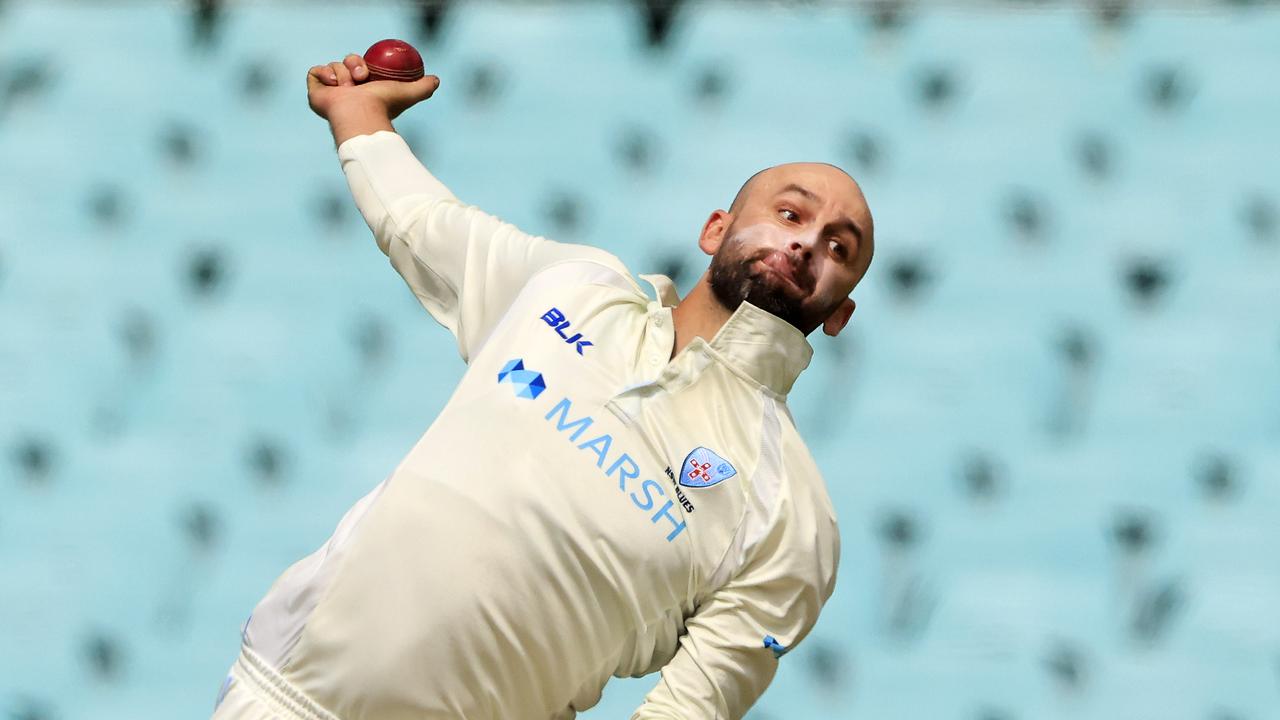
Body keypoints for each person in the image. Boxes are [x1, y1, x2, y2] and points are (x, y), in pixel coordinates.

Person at [211, 51, 875, 720]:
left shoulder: (791, 513)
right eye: (791, 215)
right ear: (715, 230)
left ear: (840, 313)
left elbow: (689, 709)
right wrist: (357, 114)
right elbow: (421, 219)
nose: (806, 244)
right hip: (286, 695)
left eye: (838, 247)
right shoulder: (577, 287)